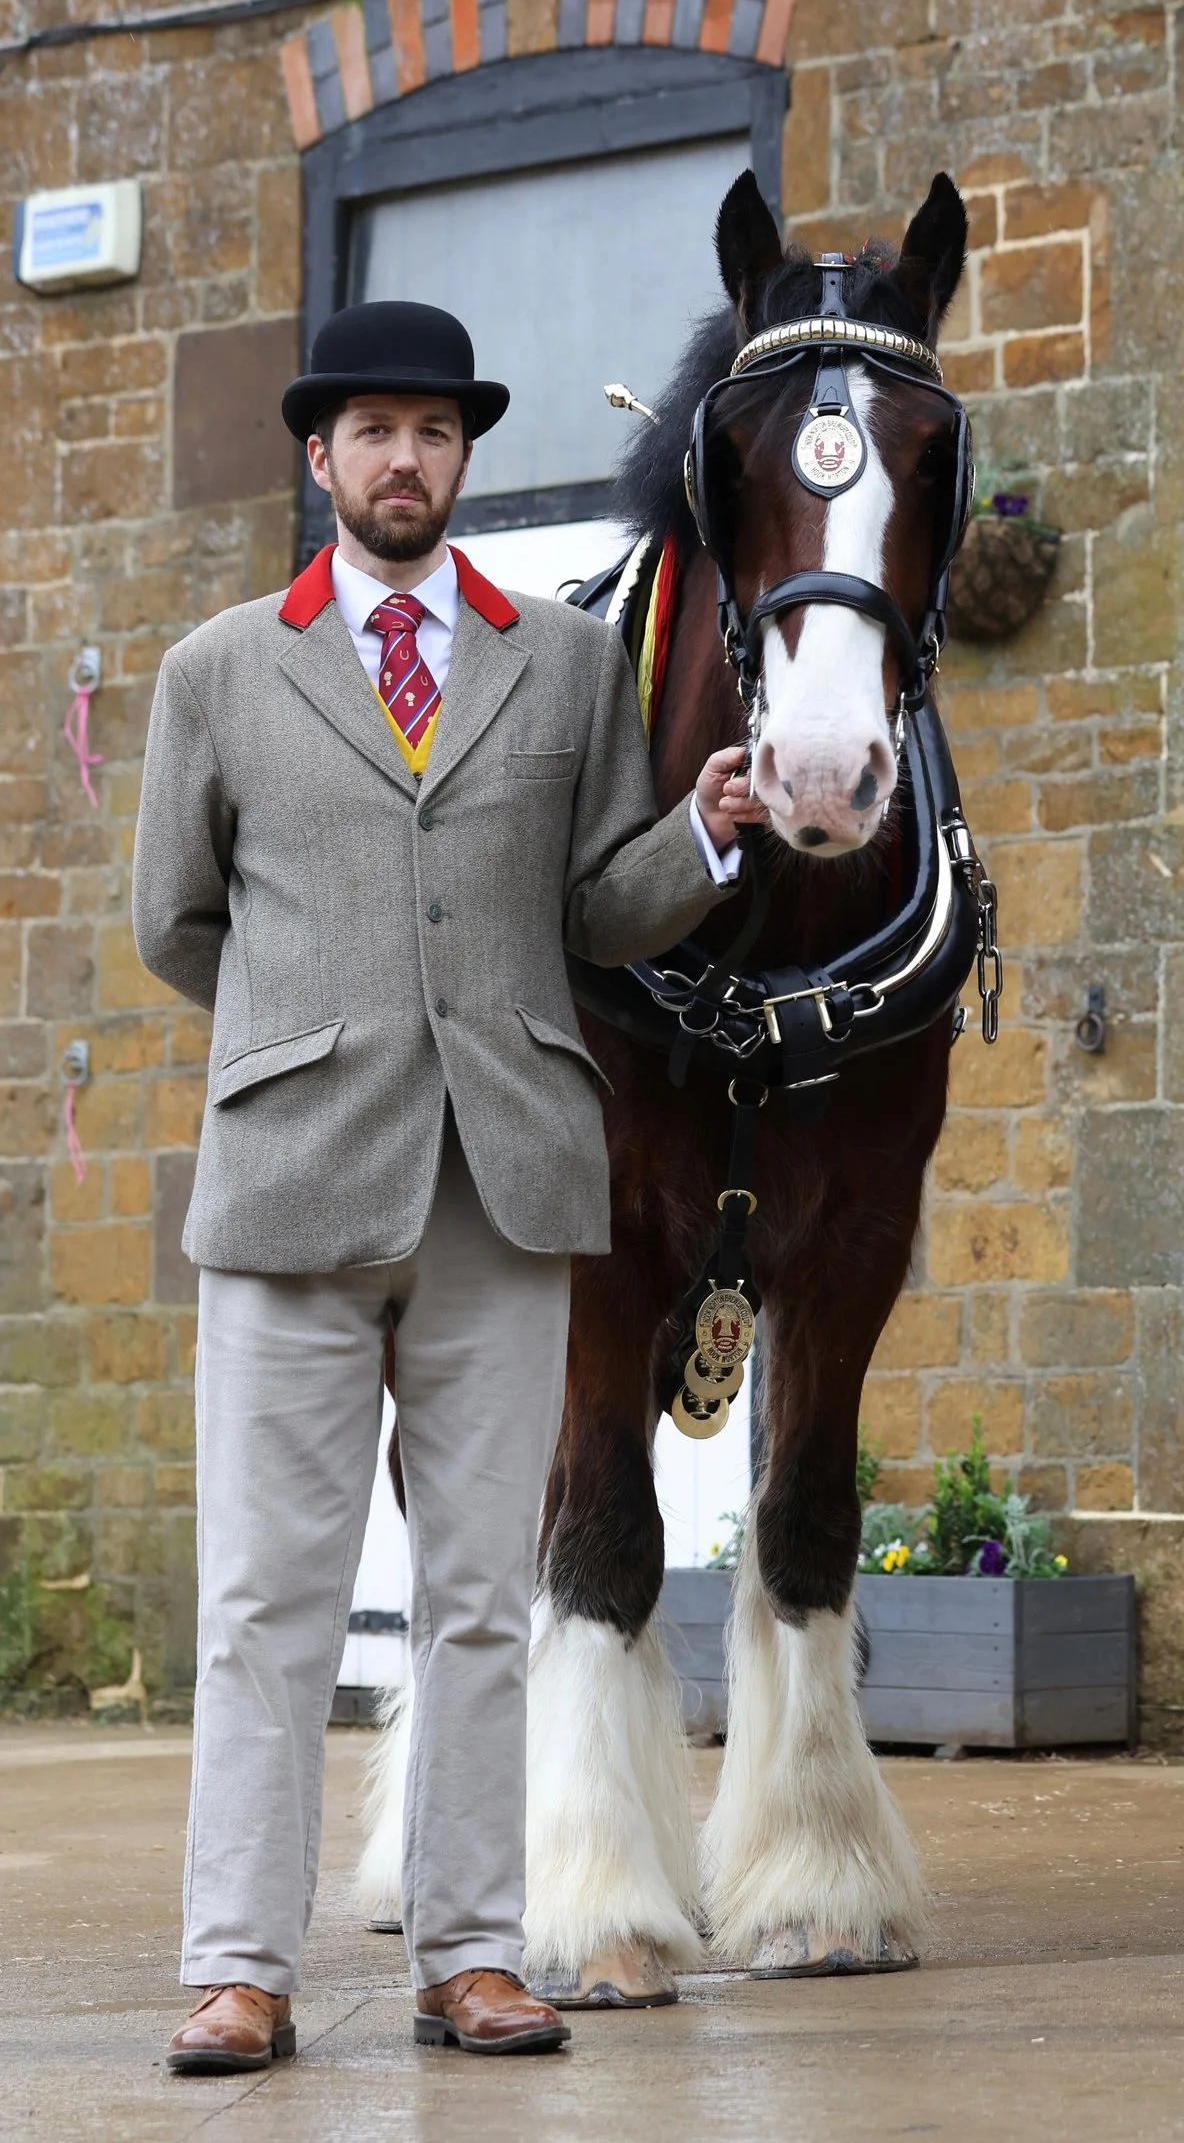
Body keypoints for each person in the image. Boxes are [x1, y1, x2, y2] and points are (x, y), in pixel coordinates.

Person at [133, 301, 767, 2070]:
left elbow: (604, 908)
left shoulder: (565, 666)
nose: (403, 459)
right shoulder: (218, 672)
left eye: (432, 430)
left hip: (507, 1183)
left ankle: (473, 1951)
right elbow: (174, 922)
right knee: (269, 1599)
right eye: (371, 432)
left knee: (488, 1593)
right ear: (318, 459)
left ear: (461, 456)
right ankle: (242, 1967)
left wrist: (706, 835)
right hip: (294, 1194)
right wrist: (313, 1040)